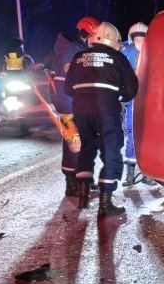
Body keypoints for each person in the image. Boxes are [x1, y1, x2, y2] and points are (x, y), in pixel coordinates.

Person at [65, 21, 138, 218]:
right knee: (111, 151)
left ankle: (82, 195)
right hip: (106, 111)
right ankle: (106, 205)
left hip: (80, 110)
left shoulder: (78, 57)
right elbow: (131, 89)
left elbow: (67, 89)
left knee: (87, 148)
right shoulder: (118, 57)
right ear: (114, 40)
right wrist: (118, 97)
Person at [44, 16, 99, 197]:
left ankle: (79, 181)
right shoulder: (70, 53)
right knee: (74, 144)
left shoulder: (72, 49)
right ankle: (72, 184)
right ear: (86, 34)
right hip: (71, 107)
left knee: (78, 143)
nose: (95, 40)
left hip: (72, 106)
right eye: (94, 36)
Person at [120, 21, 148, 186]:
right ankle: (131, 174)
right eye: (137, 38)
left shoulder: (127, 53)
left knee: (144, 135)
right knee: (133, 135)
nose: (139, 41)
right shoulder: (126, 53)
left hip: (146, 100)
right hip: (135, 101)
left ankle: (147, 172)